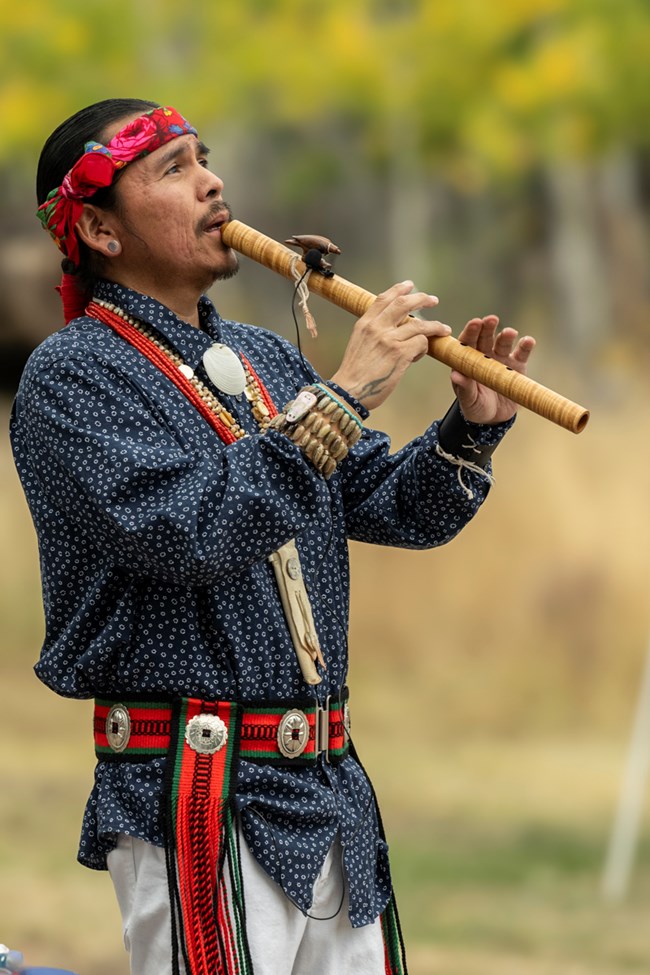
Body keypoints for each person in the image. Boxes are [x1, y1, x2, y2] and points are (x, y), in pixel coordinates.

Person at [11, 99, 535, 975]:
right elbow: (193, 530)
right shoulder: (72, 377)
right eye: (173, 169)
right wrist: (346, 393)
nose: (213, 180)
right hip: (196, 795)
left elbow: (387, 502)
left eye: (204, 157)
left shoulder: (265, 356)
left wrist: (470, 429)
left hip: (328, 788)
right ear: (100, 229)